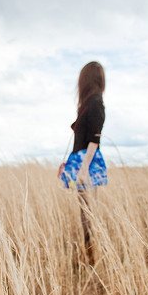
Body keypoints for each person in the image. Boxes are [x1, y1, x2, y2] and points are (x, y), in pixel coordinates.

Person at [58, 61, 107, 265]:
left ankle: (92, 258)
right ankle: (89, 256)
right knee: (84, 211)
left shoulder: (96, 102)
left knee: (87, 212)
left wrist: (83, 169)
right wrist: (67, 163)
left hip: (87, 162)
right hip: (79, 160)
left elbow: (94, 140)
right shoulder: (87, 104)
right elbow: (81, 138)